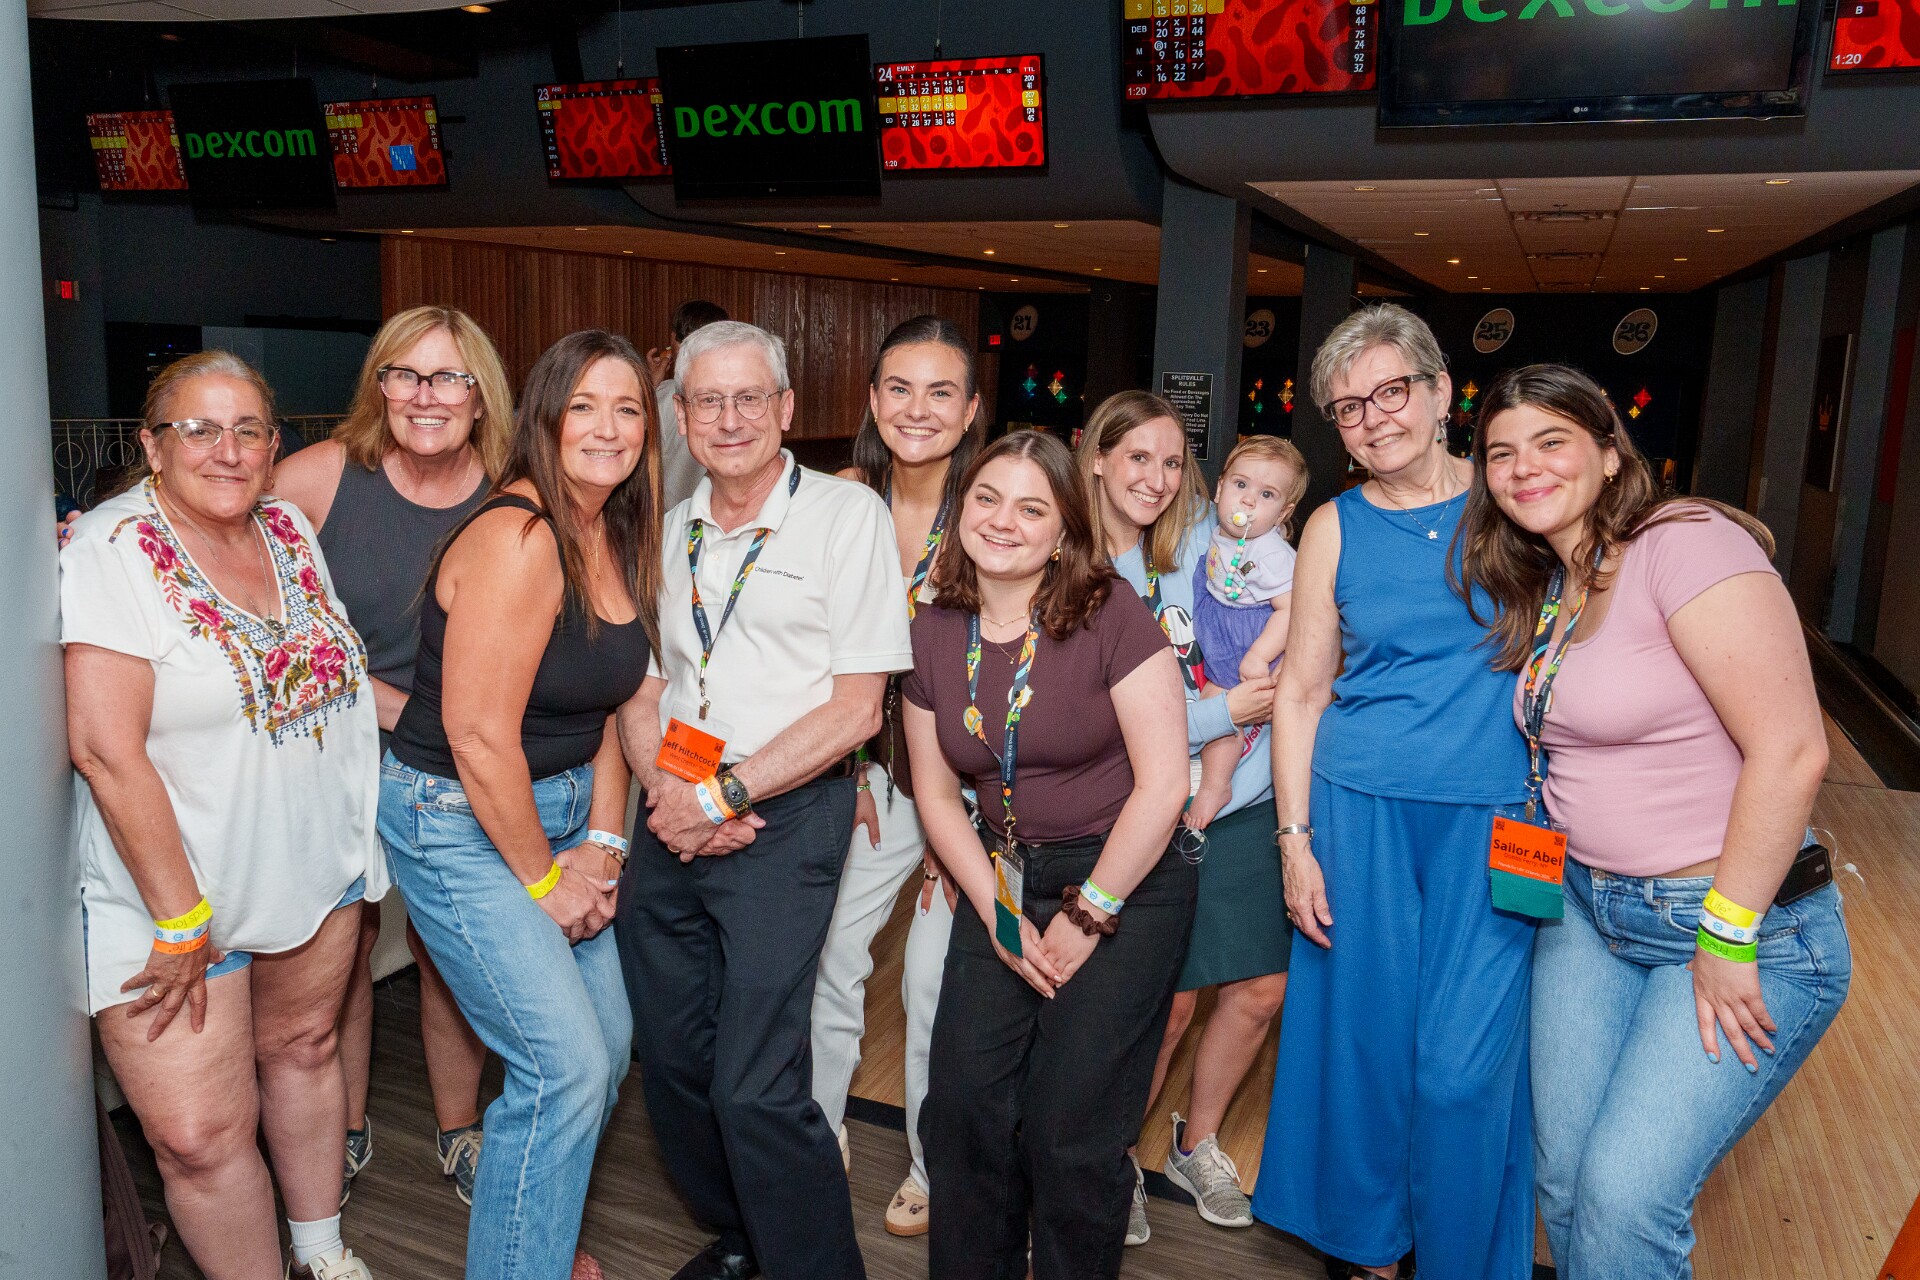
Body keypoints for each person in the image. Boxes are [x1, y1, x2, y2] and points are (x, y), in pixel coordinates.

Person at [1457, 364, 1850, 1280]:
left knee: (1626, 1200)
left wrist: (1727, 932)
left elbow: (1793, 751)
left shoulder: (1687, 543)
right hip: (1584, 911)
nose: (1523, 468)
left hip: (1731, 922)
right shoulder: (1558, 578)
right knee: (1565, 1187)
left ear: (1609, 450)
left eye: (1551, 442)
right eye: (1501, 453)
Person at [63, 351, 386, 1280]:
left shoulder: (287, 526)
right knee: (201, 1137)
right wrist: (180, 917)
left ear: (274, 445)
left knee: (306, 1050)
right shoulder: (111, 551)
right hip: (173, 894)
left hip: (312, 865)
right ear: (151, 446)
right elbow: (105, 749)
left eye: (249, 430)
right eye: (199, 429)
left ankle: (323, 1254)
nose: (228, 450)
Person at [614, 319, 909, 1280]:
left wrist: (721, 795)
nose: (730, 418)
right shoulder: (668, 530)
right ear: (681, 417)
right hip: (672, 808)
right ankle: (741, 1238)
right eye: (708, 400)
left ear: (785, 408)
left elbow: (858, 707)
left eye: (750, 398)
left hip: (784, 817)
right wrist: (671, 792)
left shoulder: (846, 517)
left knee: (755, 1084)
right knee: (673, 1062)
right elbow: (646, 687)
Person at [1251, 304, 1534, 1280]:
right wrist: (1294, 842)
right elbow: (1300, 691)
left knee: (1467, 1069)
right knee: (1364, 1047)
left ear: (1441, 390)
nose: (1373, 418)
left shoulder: (1516, 500)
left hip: (1505, 823)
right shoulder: (1334, 525)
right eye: (1348, 407)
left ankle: (1461, 1254)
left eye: (1391, 391)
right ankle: (1369, 1248)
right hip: (1358, 815)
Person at [379, 329, 661, 1280]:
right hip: (460, 818)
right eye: (584, 406)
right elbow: (477, 739)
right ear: (545, 415)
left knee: (603, 1052)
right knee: (562, 1069)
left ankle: (529, 1239)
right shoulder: (521, 535)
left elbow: (611, 705)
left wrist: (607, 843)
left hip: (566, 810)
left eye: (627, 408)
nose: (608, 428)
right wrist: (546, 879)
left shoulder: (610, 529)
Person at [908, 429, 1191, 1279]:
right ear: (961, 509)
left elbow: (1165, 785)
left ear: (1066, 529)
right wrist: (1001, 916)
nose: (1003, 521)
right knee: (964, 1110)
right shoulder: (931, 625)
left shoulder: (1112, 612)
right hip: (1002, 873)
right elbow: (936, 796)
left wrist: (1091, 912)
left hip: (1124, 877)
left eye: (1032, 508)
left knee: (1070, 1131)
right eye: (987, 499)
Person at [275, 304, 513, 1208]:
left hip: (464, 757)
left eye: (448, 376)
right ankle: (340, 1129)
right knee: (346, 942)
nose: (425, 396)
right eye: (404, 374)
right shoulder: (324, 475)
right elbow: (206, 533)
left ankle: (459, 1132)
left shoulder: (514, 489)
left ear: (480, 395)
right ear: (380, 386)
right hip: (342, 750)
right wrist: (87, 531)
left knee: (449, 946)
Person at [1076, 393, 1285, 1242]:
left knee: (1260, 991)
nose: (1158, 479)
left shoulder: (1194, 538)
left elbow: (1287, 561)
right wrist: (1228, 708)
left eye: (1173, 463)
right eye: (1138, 458)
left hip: (1245, 801)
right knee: (1163, 1007)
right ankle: (1116, 1156)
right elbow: (1108, 718)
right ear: (1095, 457)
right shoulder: (1072, 566)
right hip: (1148, 808)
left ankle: (1196, 1144)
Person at [814, 314, 984, 1237]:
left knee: (931, 984)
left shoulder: (995, 507)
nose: (918, 410)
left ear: (972, 409)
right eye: (900, 389)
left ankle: (931, 1165)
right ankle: (819, 1130)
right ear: (874, 401)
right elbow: (813, 654)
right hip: (870, 775)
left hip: (971, 794)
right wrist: (842, 769)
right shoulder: (842, 501)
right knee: (829, 956)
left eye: (941, 391)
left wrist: (958, 830)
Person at [1191, 436, 1306, 833]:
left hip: (1251, 638)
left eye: (1267, 494)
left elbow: (1291, 610)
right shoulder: (1220, 533)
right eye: (1240, 485)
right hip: (1222, 629)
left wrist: (1259, 655)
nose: (1248, 500)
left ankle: (1215, 786)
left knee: (1218, 706)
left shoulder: (1271, 553)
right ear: (1220, 488)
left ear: (1283, 512)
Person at [648, 299, 730, 511]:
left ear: (674, 341)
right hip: (722, 511)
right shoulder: (739, 396)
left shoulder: (660, 394)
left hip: (668, 514)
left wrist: (648, 386)